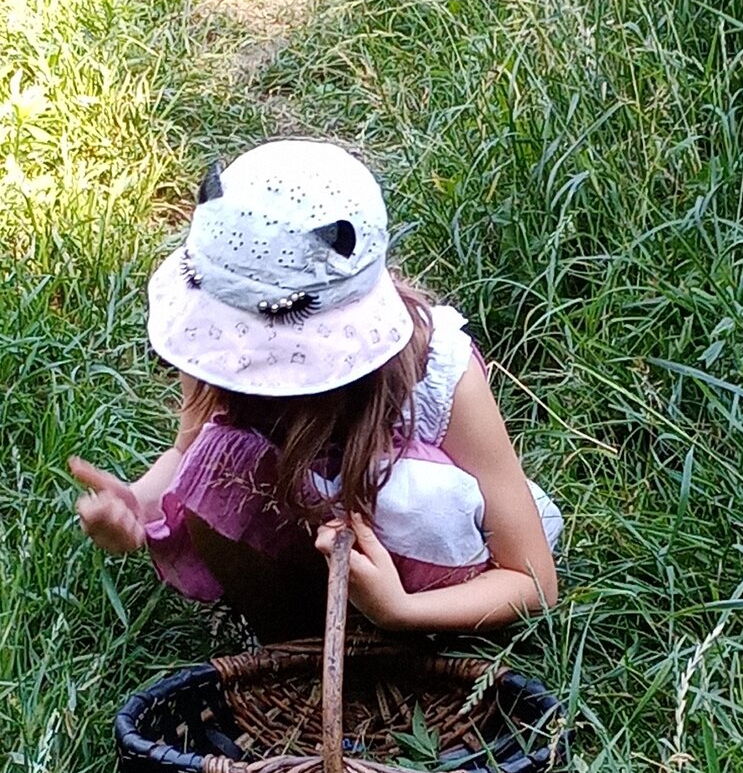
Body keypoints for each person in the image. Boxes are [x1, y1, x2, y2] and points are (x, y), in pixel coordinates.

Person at [70, 140, 562, 642]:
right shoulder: (218, 358)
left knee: (419, 500)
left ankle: (409, 646)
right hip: (304, 551)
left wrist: (400, 612)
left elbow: (532, 579)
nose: (247, 361)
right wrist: (135, 505)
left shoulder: (437, 373)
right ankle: (292, 641)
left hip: (427, 586)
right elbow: (186, 451)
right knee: (216, 462)